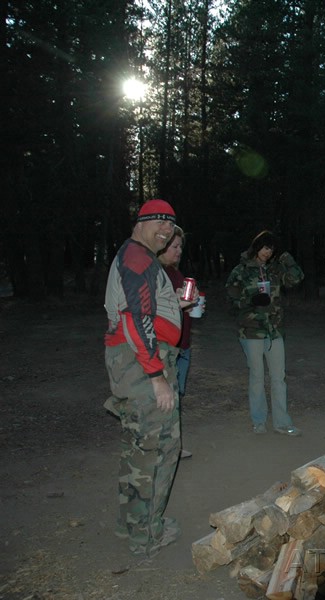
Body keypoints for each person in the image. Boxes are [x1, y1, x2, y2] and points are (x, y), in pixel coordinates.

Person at [103, 198, 193, 558]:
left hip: (136, 361)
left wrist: (175, 305)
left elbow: (145, 309)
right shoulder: (138, 257)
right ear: (139, 223)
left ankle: (132, 525)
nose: (166, 230)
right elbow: (134, 318)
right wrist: (157, 376)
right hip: (142, 366)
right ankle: (147, 536)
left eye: (171, 225)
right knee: (158, 451)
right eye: (158, 222)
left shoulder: (137, 257)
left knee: (138, 448)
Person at [226, 230, 304, 436]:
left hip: (274, 330)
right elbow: (231, 299)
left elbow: (296, 280)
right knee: (257, 376)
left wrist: (288, 260)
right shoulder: (241, 270)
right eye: (265, 247)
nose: (268, 253)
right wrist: (250, 301)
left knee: (279, 377)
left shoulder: (275, 269)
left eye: (272, 249)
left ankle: (282, 422)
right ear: (257, 246)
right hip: (251, 331)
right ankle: (259, 421)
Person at [157, 226, 201, 459]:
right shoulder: (155, 274)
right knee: (166, 400)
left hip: (182, 346)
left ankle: (174, 446)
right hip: (167, 348)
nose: (179, 250)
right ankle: (165, 449)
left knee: (176, 398)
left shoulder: (175, 272)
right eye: (174, 246)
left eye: (180, 246)